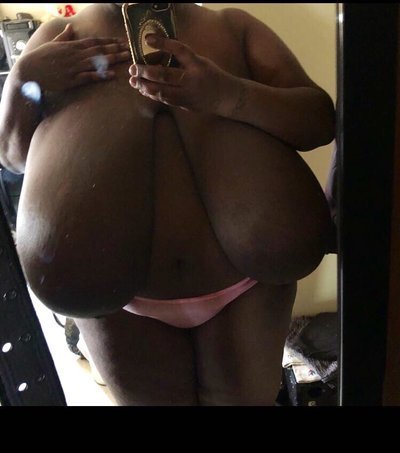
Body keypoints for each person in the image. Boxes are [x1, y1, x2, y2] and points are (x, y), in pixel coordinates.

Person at [0, 3, 335, 406]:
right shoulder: (59, 38)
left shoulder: (232, 28)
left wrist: (231, 95)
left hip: (246, 289)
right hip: (123, 305)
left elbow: (318, 121)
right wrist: (24, 79)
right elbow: (12, 155)